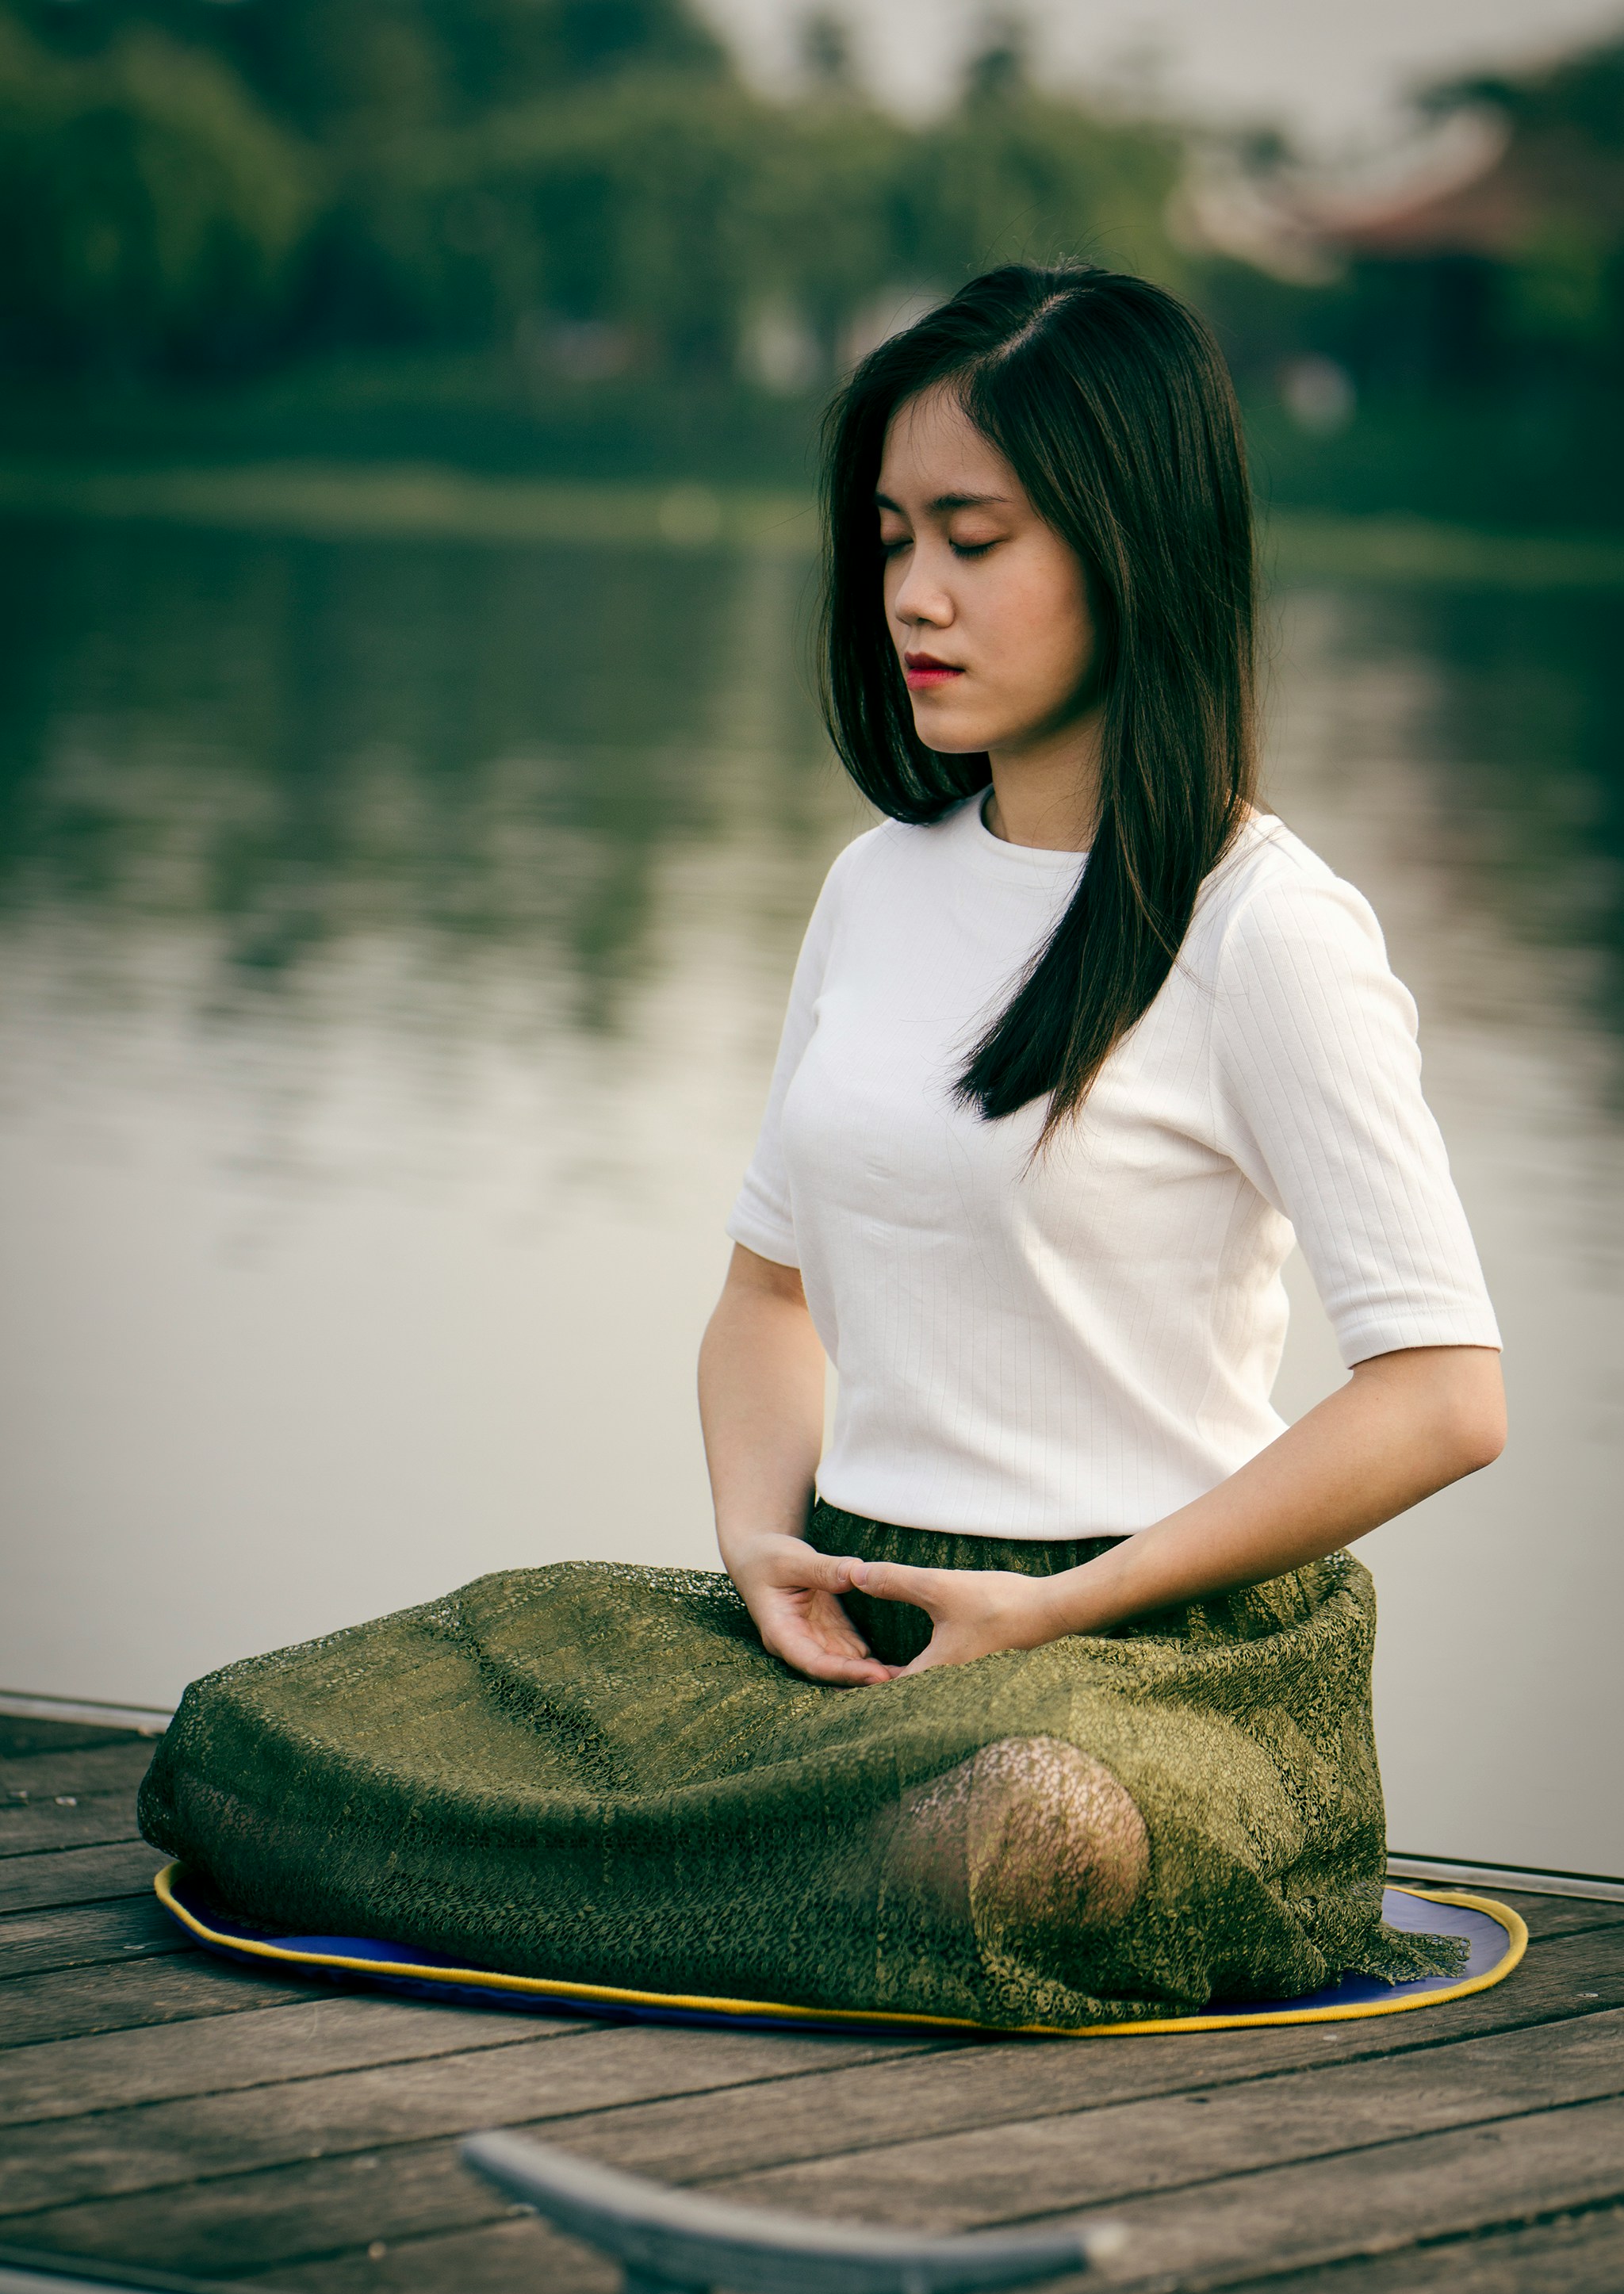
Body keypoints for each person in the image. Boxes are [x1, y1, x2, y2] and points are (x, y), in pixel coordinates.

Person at [140, 266, 1504, 2031]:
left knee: (1016, 1827)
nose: (911, 597)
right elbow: (764, 1298)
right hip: (850, 1633)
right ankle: (759, 1866)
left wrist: (1066, 1605)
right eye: (886, 540)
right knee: (259, 1737)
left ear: (1130, 541)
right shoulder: (878, 888)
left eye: (972, 537)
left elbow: (1444, 1394)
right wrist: (759, 1545)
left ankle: (738, 1869)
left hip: (1145, 1672)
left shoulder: (1267, 931)